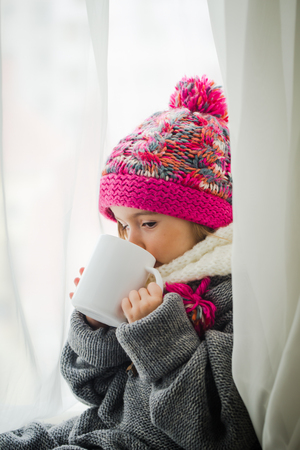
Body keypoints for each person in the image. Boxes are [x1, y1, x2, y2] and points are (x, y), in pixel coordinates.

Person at [0, 75, 261, 449]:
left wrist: (157, 331)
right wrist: (97, 325)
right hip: (100, 429)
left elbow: (216, 432)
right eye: (123, 225)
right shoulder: (150, 280)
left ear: (204, 221)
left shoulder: (234, 299)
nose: (132, 240)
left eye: (148, 222)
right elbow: (91, 391)